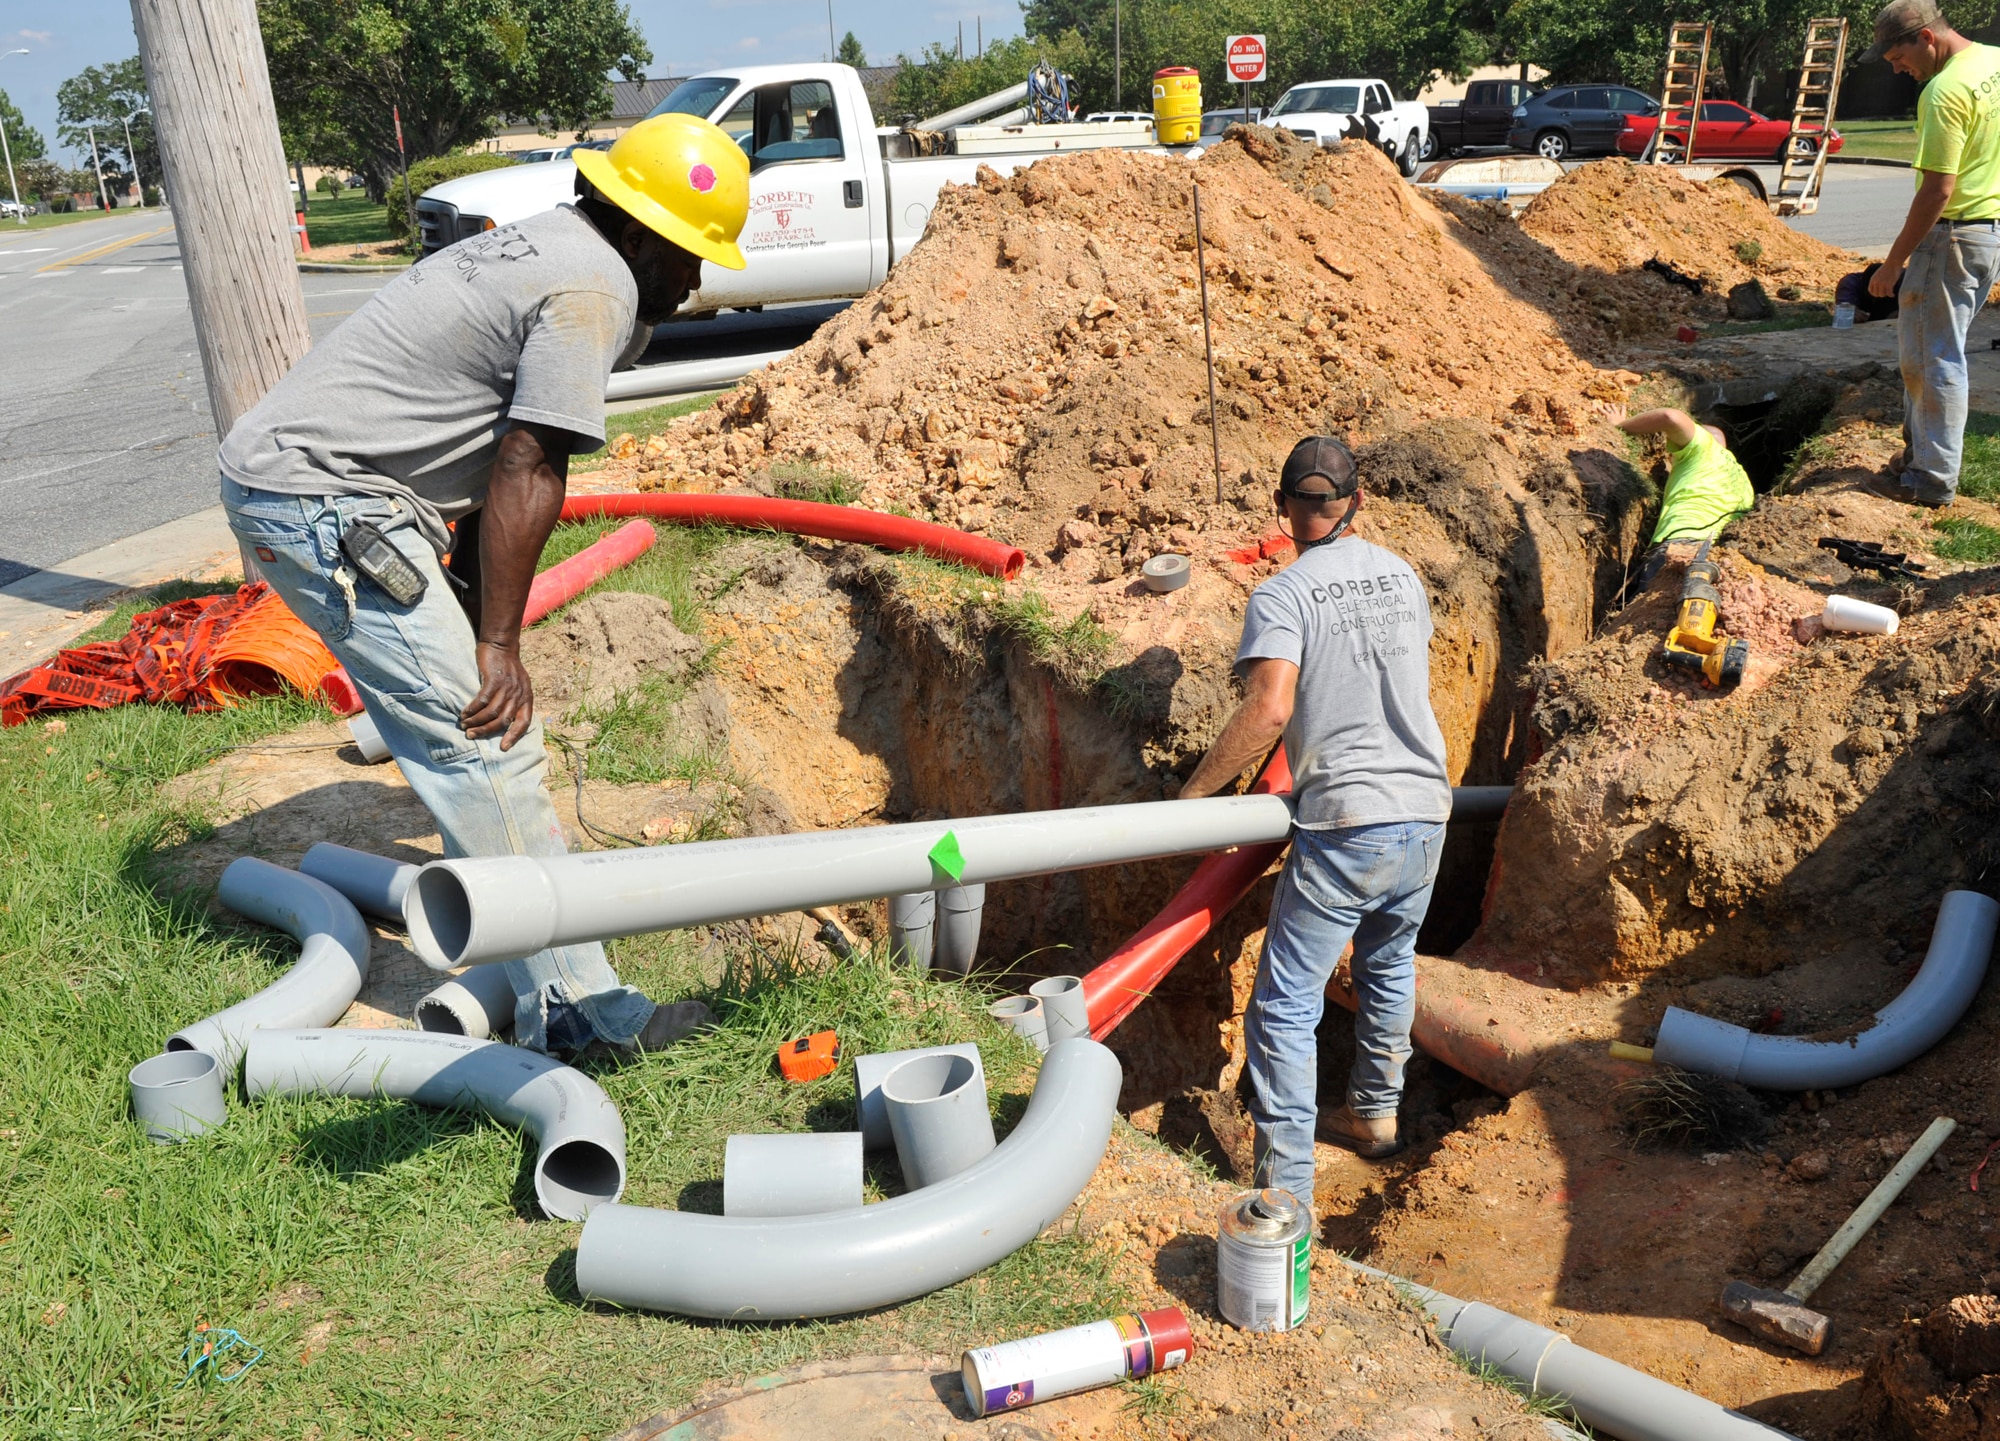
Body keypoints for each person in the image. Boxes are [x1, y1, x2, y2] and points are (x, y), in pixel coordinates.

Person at [215, 113, 750, 1057]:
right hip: (325, 500)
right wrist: (495, 648)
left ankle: (537, 948)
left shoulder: (549, 244)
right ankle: (584, 1015)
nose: (698, 279)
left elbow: (478, 439)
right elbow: (528, 462)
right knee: (489, 743)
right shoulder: (594, 290)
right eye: (691, 254)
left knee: (470, 715)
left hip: (319, 483)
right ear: (637, 233)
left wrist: (470, 605)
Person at [1178, 436, 1452, 1201]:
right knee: (1389, 964)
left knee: (1285, 1004)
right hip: (1427, 811)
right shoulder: (1403, 575)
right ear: (1357, 501)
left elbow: (1269, 708)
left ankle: (1287, 1191)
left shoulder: (1283, 593)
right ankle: (1374, 1115)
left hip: (1348, 821)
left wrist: (1195, 799)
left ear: (1283, 509)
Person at [1863, 0, 2000, 507]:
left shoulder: (1943, 92)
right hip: (1987, 233)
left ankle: (1931, 480)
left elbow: (1937, 190)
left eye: (1898, 57)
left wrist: (1894, 260)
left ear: (1925, 37)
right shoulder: (1992, 61)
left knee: (1932, 359)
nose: (1897, 69)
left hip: (1952, 236)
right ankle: (1919, 455)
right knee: (1929, 351)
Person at [1617, 407, 1756, 583]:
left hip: (1681, 545)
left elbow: (1670, 417)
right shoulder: (1743, 480)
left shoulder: (1705, 447)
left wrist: (1620, 425)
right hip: (1721, 556)